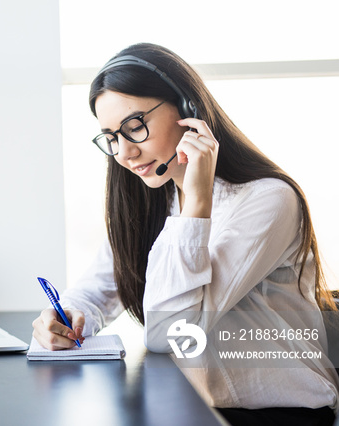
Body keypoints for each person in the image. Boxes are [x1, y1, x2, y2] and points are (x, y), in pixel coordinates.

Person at [32, 43, 339, 426]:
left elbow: (169, 331)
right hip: (188, 405)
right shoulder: (152, 200)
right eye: (111, 137)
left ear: (188, 110)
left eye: (135, 126)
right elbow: (98, 288)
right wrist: (68, 316)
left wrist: (196, 203)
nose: (125, 152)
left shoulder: (268, 201)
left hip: (279, 415)